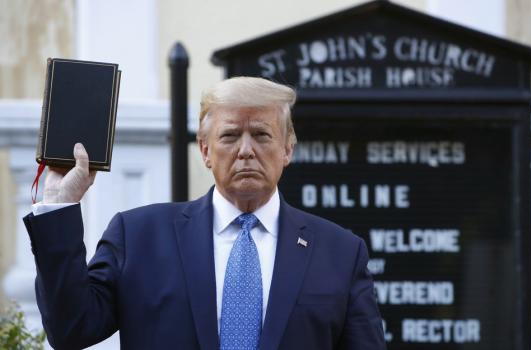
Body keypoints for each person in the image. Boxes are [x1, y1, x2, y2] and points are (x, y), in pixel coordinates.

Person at [24, 77, 386, 349]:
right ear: (205, 150)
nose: (246, 150)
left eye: (261, 135)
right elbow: (71, 329)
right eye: (230, 136)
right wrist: (59, 206)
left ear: (287, 149)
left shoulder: (339, 252)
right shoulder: (139, 237)